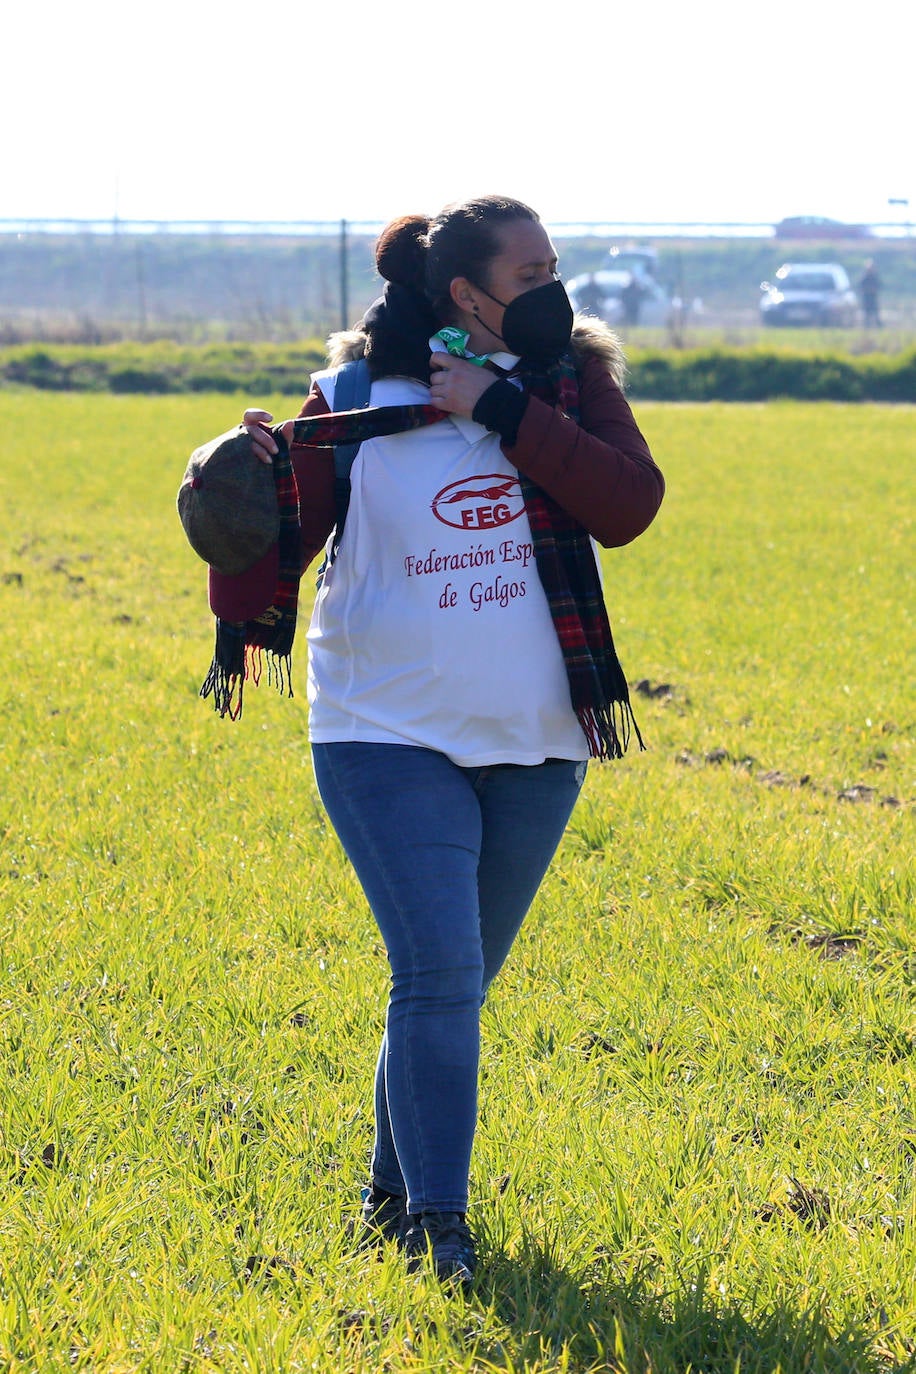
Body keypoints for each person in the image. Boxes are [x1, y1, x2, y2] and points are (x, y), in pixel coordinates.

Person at [207, 195, 664, 1289]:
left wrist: (504, 410)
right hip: (384, 732)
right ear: (463, 294)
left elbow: (628, 504)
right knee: (441, 976)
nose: (555, 290)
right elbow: (263, 564)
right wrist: (231, 490)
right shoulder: (358, 397)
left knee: (448, 988)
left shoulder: (569, 383)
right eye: (530, 272)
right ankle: (437, 1232)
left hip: (538, 738)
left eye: (558, 266)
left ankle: (383, 1195)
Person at [858, 259, 882, 327]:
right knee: (866, 314)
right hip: (866, 298)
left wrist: (873, 289)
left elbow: (879, 286)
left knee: (876, 313)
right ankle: (866, 327)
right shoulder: (864, 277)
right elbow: (861, 287)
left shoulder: (875, 277)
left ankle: (878, 326)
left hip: (873, 298)